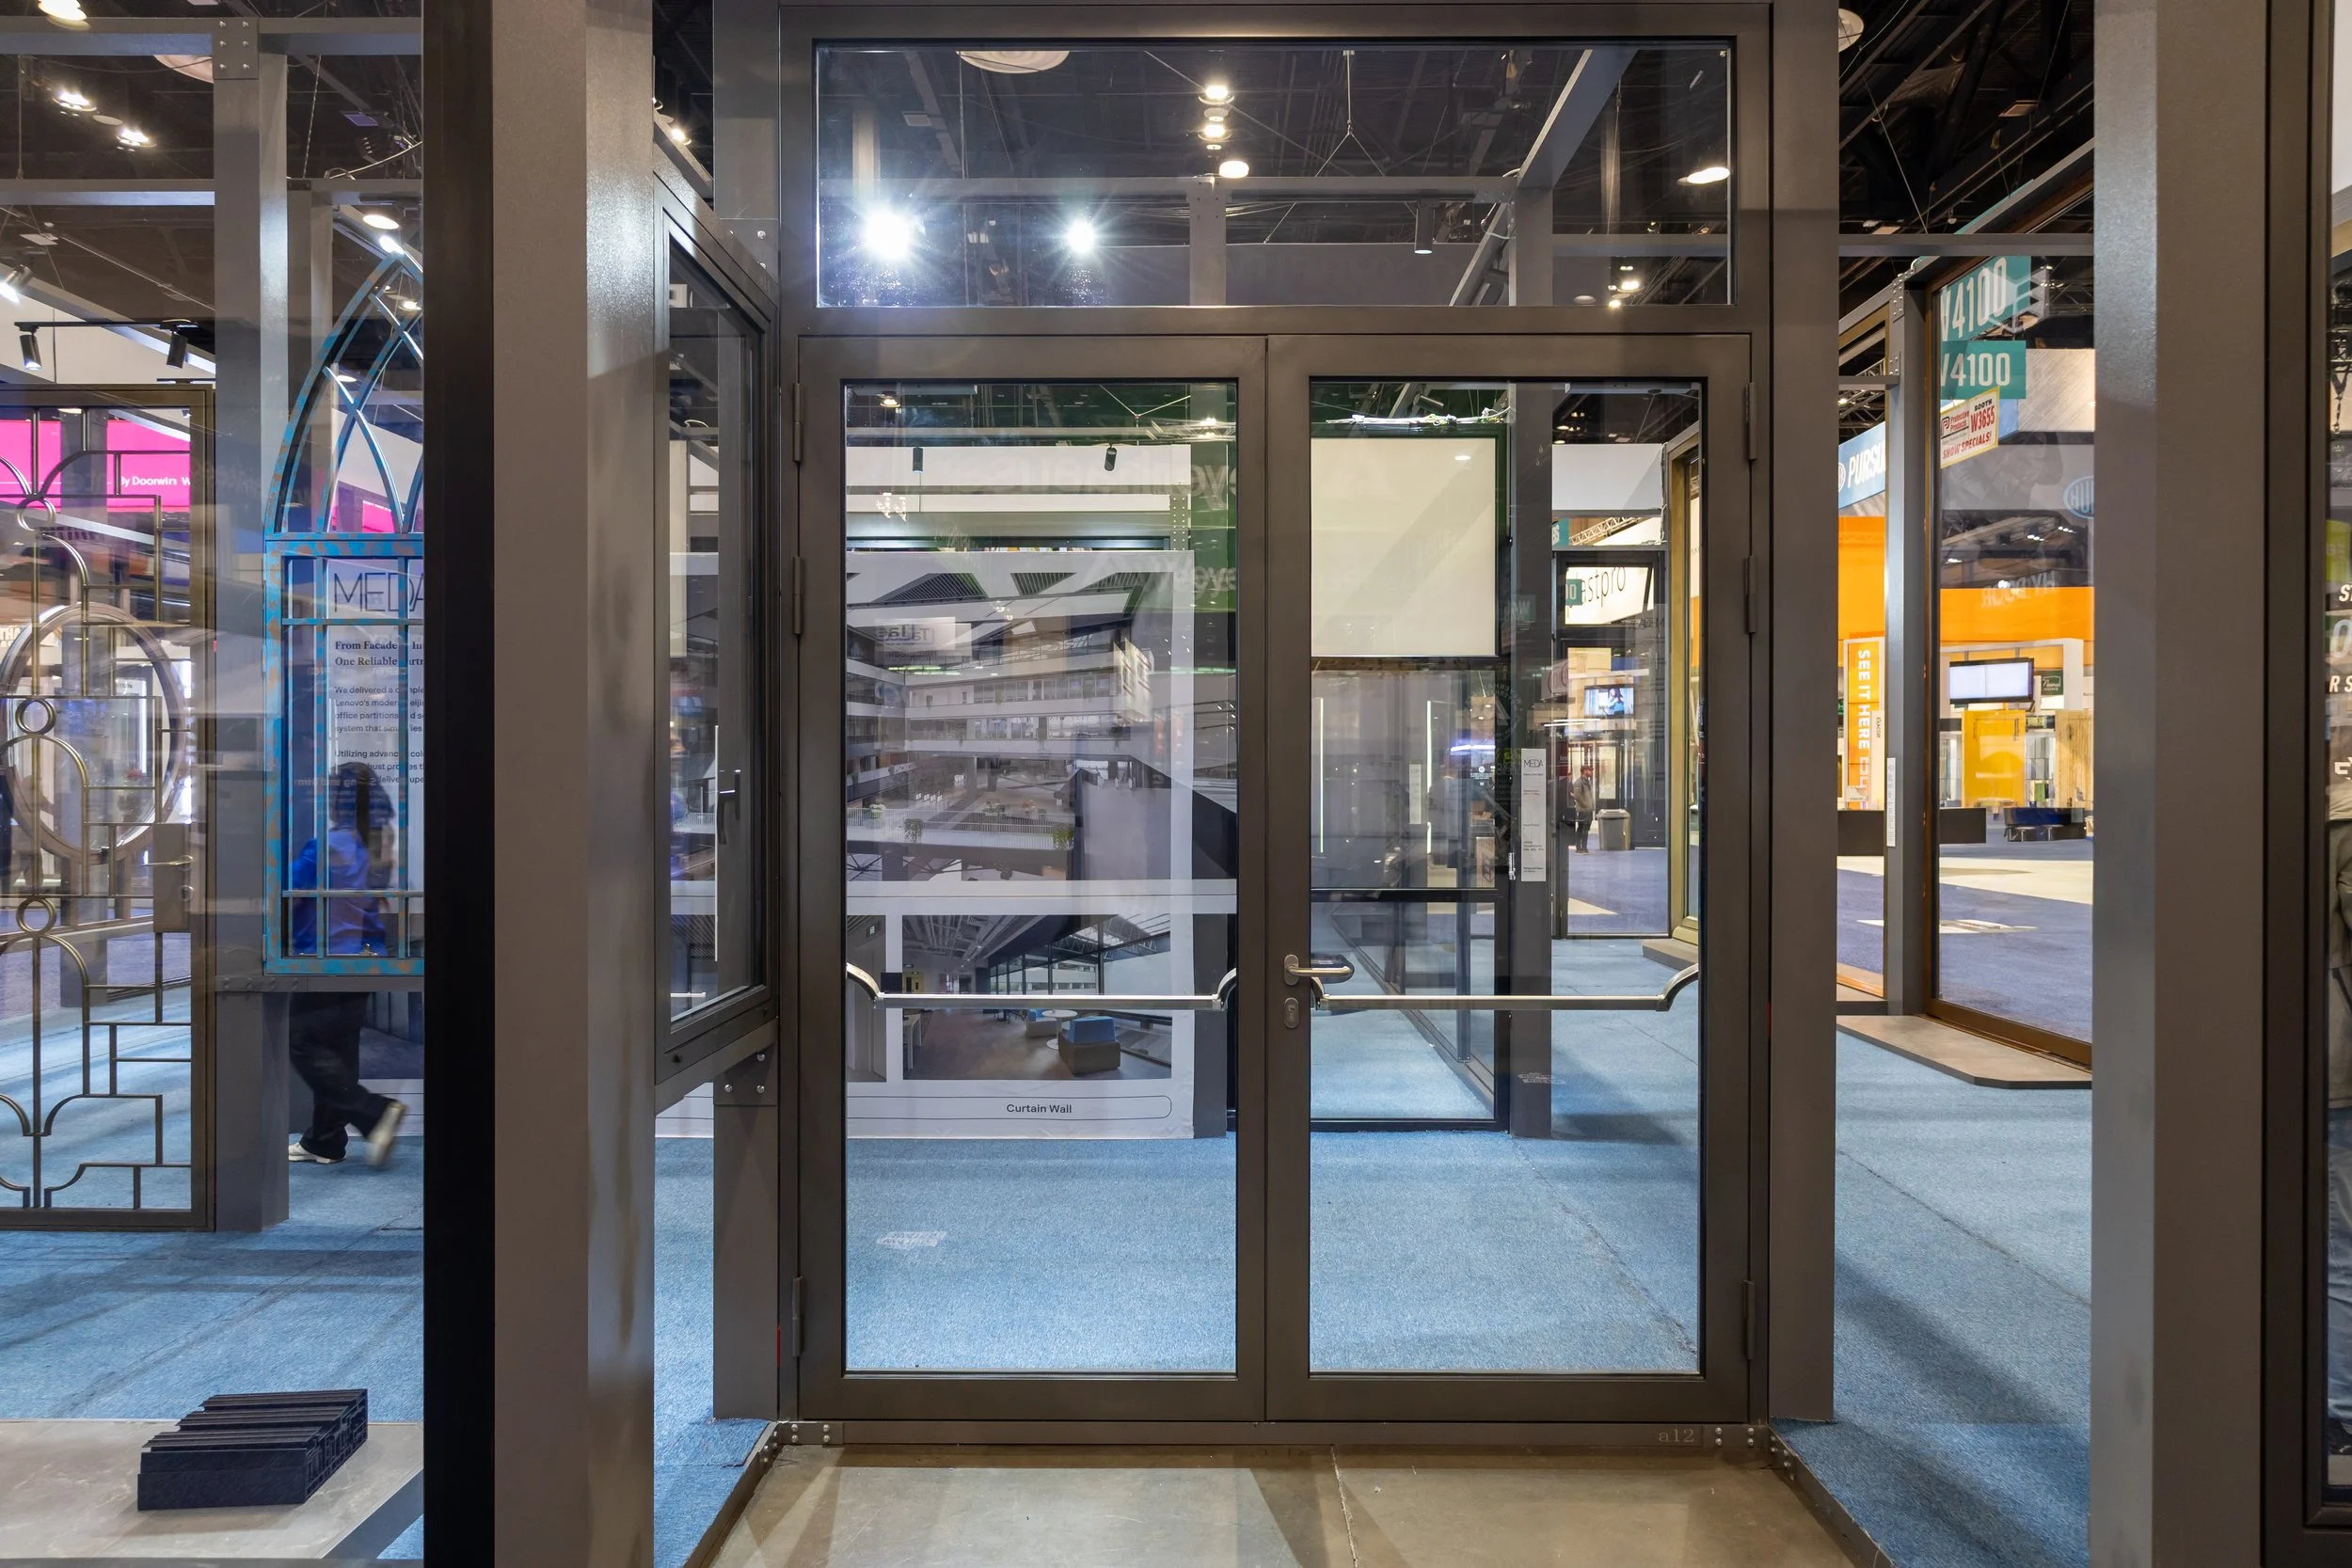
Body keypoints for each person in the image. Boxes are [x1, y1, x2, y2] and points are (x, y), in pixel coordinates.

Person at [286, 761, 406, 1167]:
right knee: (338, 1046)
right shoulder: (380, 840)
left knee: (303, 1044)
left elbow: (292, 890)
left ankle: (373, 1112)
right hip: (366, 953)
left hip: (327, 954)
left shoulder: (327, 846)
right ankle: (325, 1140)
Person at [1571, 767, 1598, 853]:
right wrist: (1586, 805)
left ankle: (1583, 847)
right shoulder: (1579, 782)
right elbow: (1577, 796)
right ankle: (1580, 848)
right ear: (1585, 771)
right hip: (1583, 810)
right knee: (1582, 828)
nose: (1591, 772)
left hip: (1588, 809)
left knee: (1585, 829)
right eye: (1590, 770)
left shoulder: (1587, 782)